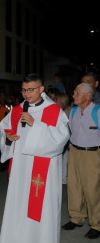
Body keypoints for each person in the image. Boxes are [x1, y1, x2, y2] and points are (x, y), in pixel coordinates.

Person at [0, 74, 70, 243]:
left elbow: (61, 138)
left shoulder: (53, 110)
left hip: (42, 171)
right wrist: (8, 139)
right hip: (20, 169)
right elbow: (5, 129)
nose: (26, 94)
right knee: (19, 204)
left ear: (41, 89)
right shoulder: (17, 109)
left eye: (31, 89)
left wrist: (35, 124)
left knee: (41, 207)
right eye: (24, 90)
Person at [62, 83, 100, 239]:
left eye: (77, 93)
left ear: (88, 96)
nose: (74, 95)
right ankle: (76, 218)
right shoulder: (74, 111)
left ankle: (96, 224)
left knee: (92, 190)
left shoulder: (97, 111)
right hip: (74, 152)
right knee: (73, 187)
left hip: (92, 154)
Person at [54, 92, 71, 184]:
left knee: (64, 157)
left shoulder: (67, 110)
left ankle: (64, 176)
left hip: (66, 137)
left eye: (57, 99)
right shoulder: (57, 110)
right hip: (57, 136)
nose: (55, 101)